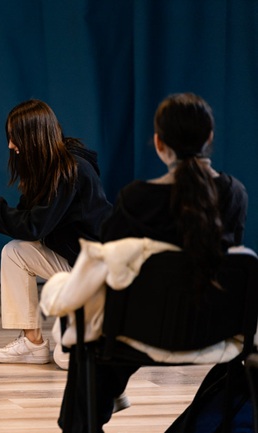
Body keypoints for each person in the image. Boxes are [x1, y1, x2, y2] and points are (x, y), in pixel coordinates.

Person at [56, 92, 248, 432]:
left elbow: (106, 266)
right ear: (209, 138)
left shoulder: (136, 199)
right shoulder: (234, 195)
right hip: (217, 333)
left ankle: (83, 425)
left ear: (159, 143)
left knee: (90, 343)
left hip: (142, 331)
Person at [0, 99, 112, 366]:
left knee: (67, 360)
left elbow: (32, 227)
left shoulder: (70, 170)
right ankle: (32, 343)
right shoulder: (48, 168)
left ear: (33, 136)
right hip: (77, 265)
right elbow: (25, 221)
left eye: (15, 137)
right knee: (15, 252)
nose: (10, 145)